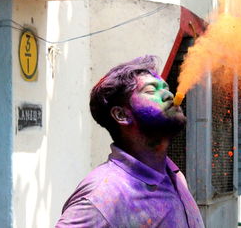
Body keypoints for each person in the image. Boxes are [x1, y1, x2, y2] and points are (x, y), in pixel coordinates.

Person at [56, 55, 204, 227]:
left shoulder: (175, 176)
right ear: (122, 115)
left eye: (166, 88)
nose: (169, 95)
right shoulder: (103, 195)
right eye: (151, 90)